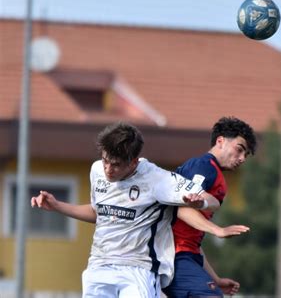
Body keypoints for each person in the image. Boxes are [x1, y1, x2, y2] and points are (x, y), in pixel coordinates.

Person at [31, 122, 222, 298]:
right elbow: (101, 213)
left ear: (134, 162)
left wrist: (200, 203)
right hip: (99, 265)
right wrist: (57, 206)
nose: (108, 169)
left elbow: (212, 200)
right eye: (105, 160)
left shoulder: (157, 179)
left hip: (138, 268)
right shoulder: (96, 171)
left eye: (116, 164)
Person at [163, 116, 257, 298]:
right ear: (220, 141)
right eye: (240, 149)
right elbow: (181, 208)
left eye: (246, 155)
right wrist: (218, 230)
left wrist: (215, 278)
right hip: (173, 255)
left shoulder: (214, 175)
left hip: (186, 256)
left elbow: (192, 239)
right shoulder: (204, 166)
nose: (242, 158)